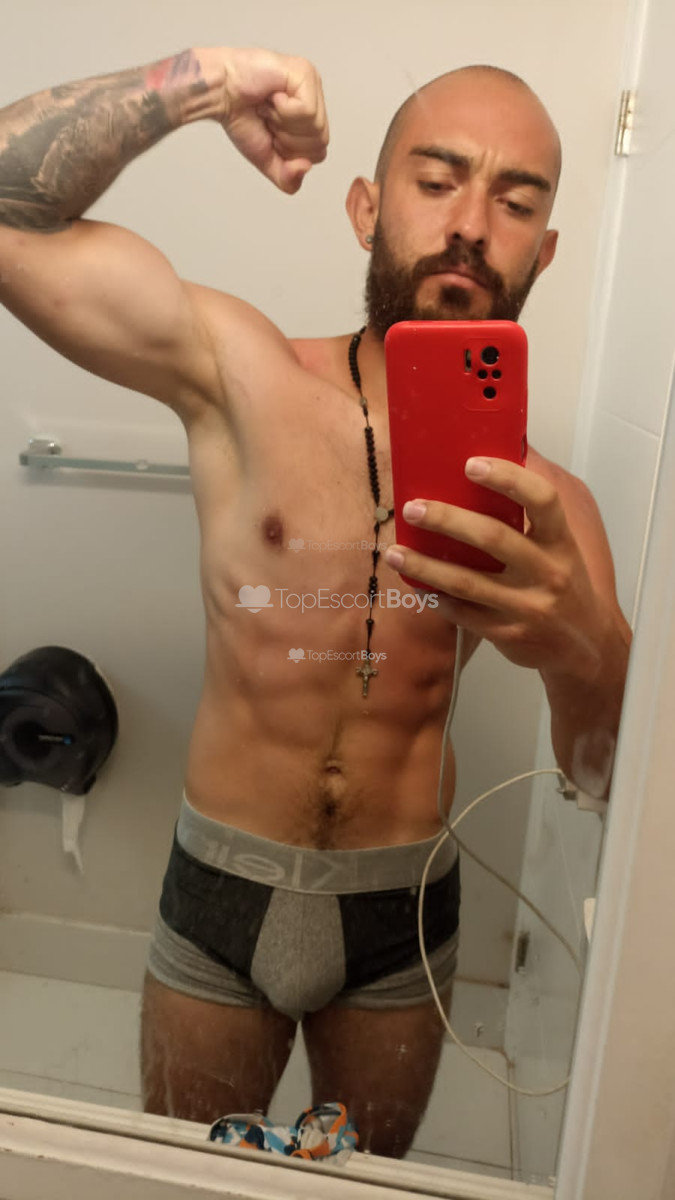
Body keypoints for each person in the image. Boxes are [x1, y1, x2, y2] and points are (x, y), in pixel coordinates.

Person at [0, 46, 631, 1157]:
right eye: (437, 180)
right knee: (189, 1182)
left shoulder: (550, 507)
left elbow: (601, 780)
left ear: (545, 249)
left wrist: (587, 648)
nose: (470, 225)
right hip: (225, 886)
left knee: (364, 1184)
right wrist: (197, 83)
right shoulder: (239, 372)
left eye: (514, 200)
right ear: (365, 208)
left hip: (400, 912)